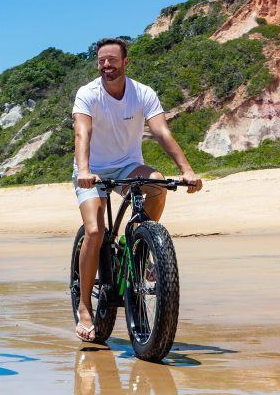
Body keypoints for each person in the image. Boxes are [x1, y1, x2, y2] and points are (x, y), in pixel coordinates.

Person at [72, 38, 203, 342]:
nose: (107, 65)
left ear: (126, 62)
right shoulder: (88, 94)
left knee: (157, 185)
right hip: (91, 169)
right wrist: (85, 170)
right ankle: (84, 307)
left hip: (128, 166)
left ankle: (139, 246)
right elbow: (82, 132)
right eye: (102, 60)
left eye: (113, 60)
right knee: (94, 231)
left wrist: (186, 171)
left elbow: (161, 131)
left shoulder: (143, 94)